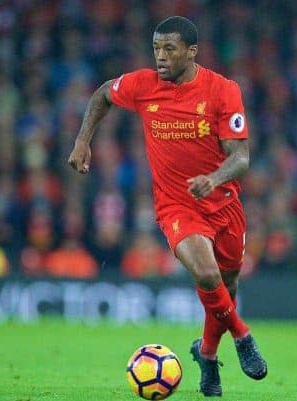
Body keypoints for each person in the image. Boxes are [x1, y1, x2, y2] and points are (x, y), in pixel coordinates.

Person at [68, 16, 267, 397]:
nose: (160, 56)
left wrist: (216, 179)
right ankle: (243, 337)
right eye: (156, 48)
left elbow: (241, 157)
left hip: (224, 204)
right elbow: (102, 94)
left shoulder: (223, 90)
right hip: (177, 205)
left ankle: (207, 355)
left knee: (227, 285)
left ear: (192, 52)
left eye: (169, 49)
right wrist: (82, 141)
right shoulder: (144, 85)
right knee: (207, 275)